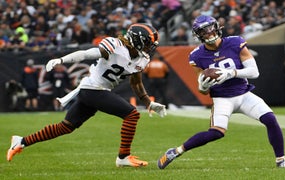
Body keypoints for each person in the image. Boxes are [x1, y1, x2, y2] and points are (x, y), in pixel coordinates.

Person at [7, 23, 167, 168]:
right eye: (147, 43)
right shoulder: (115, 45)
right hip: (93, 89)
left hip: (95, 91)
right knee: (131, 114)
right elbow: (86, 54)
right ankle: (123, 157)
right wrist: (62, 59)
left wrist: (148, 102)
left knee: (66, 127)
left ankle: (21, 141)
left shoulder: (142, 58)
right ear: (136, 40)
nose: (149, 48)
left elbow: (136, 83)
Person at [157, 15, 285, 169]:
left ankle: (281, 161)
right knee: (216, 133)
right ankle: (176, 151)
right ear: (198, 35)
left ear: (217, 27)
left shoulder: (235, 42)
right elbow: (202, 89)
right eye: (204, 31)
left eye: (210, 28)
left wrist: (232, 73)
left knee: (270, 119)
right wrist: (203, 87)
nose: (209, 33)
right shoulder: (196, 56)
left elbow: (254, 72)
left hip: (243, 95)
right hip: (222, 99)